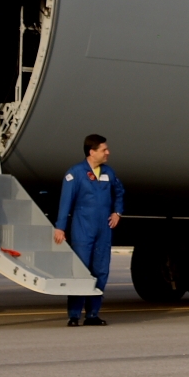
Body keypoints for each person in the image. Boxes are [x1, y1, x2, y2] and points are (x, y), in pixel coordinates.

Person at [53, 133, 125, 326]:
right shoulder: (75, 173)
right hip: (83, 229)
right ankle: (74, 315)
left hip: (104, 229)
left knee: (101, 270)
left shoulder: (108, 172)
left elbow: (119, 192)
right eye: (104, 149)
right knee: (80, 271)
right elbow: (65, 202)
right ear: (92, 152)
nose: (108, 152)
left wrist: (117, 212)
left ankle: (93, 314)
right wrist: (60, 227)